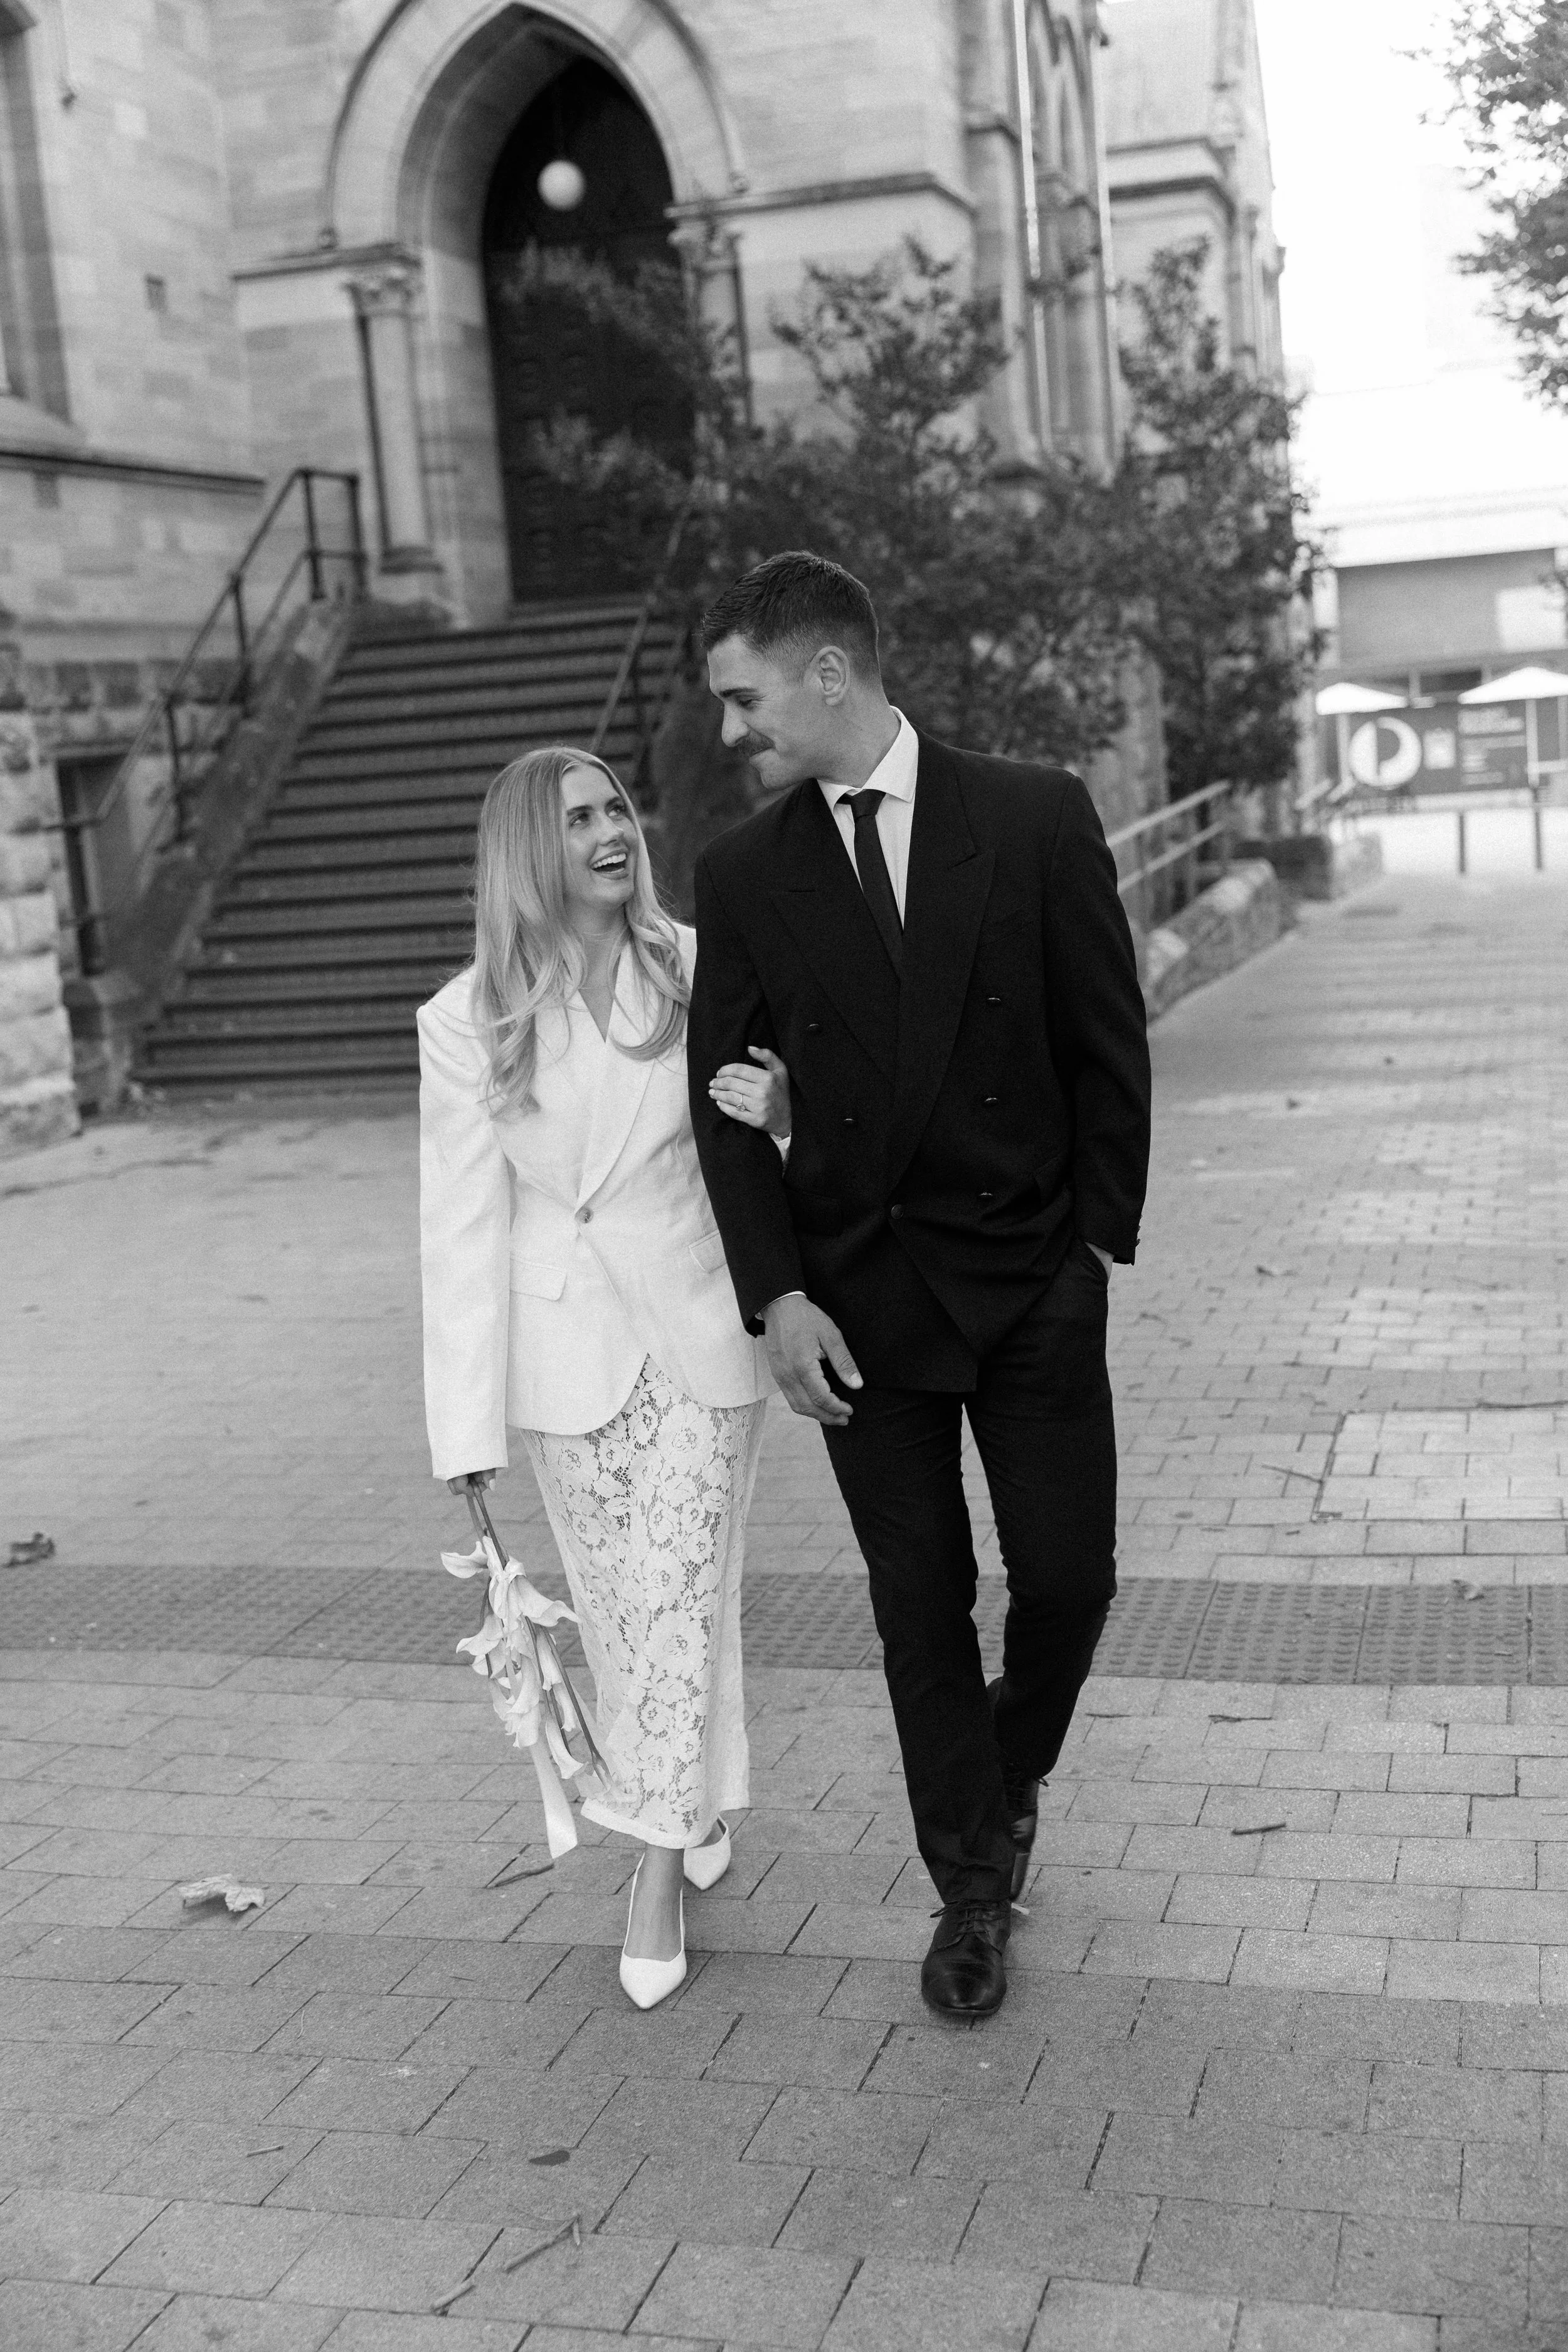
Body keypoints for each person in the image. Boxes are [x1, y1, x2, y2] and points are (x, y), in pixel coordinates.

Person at [687, 552, 1151, 2021]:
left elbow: (1106, 1043)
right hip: (856, 1305)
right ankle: (969, 1889)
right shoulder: (742, 873)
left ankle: (1001, 1771)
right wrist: (776, 1298)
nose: (729, 730)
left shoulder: (1028, 814)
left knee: (1068, 1581)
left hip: (1028, 1278)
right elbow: (721, 1108)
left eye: (742, 697)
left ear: (828, 673)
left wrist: (1089, 1252)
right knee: (919, 1605)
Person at [418, 744, 789, 2011]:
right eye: (577, 820)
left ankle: (653, 1868)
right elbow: (459, 1231)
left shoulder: (696, 965)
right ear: (532, 848)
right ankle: (693, 1804)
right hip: (563, 1354)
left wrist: (782, 1107)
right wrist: (463, 1434)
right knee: (628, 1612)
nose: (609, 832)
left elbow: (784, 1122)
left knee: (678, 1590)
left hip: (697, 1325)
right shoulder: (469, 1020)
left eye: (616, 808)